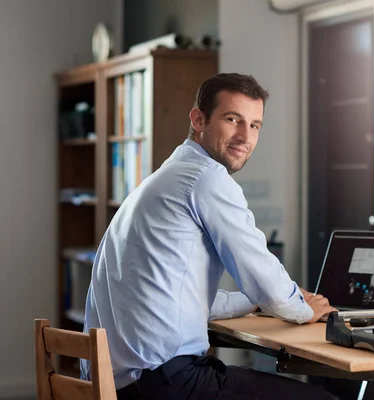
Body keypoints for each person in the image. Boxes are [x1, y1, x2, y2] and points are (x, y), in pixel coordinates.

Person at [81, 72, 337, 399]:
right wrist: (303, 308)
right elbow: (267, 284)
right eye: (233, 119)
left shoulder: (161, 180)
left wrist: (255, 305)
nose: (245, 136)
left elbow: (180, 294)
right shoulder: (207, 178)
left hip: (127, 383)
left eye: (255, 125)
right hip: (162, 383)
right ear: (198, 119)